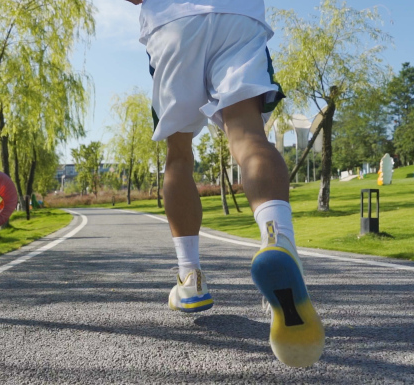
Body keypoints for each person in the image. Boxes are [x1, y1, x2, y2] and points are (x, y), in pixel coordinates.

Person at [125, 0, 324, 367]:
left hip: (173, 21)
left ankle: (190, 279)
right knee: (248, 138)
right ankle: (277, 240)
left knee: (179, 154)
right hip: (238, 15)